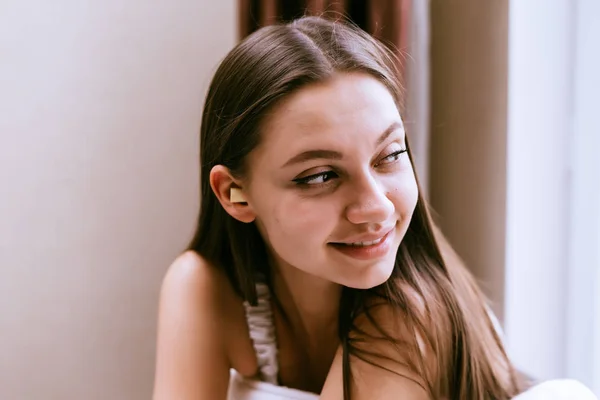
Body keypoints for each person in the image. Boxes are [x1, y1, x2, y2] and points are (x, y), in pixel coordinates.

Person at [152, 16, 597, 400]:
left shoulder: (407, 316)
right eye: (321, 176)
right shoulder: (204, 286)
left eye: (390, 156)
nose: (376, 208)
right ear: (234, 192)